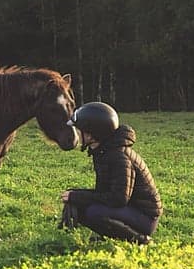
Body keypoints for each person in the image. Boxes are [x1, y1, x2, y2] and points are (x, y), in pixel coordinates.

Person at [59, 102, 162, 244]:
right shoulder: (103, 151)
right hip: (129, 209)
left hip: (145, 218)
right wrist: (74, 196)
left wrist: (78, 196)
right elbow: (103, 192)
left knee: (94, 212)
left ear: (91, 134)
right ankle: (110, 234)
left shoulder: (119, 157)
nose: (77, 134)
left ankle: (140, 240)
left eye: (79, 130)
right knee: (79, 204)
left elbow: (118, 199)